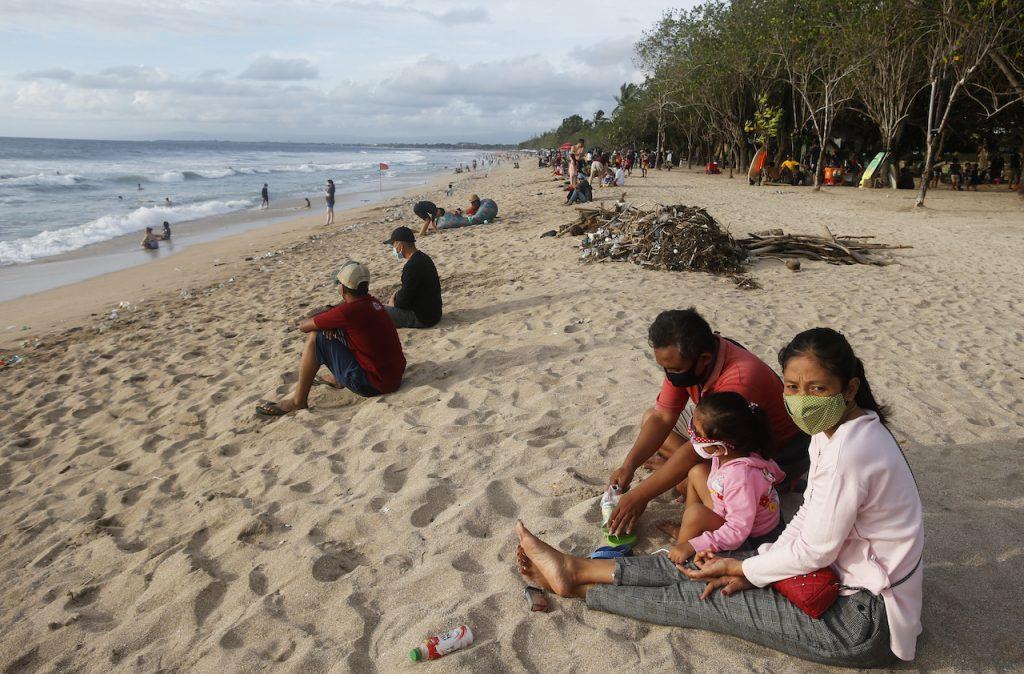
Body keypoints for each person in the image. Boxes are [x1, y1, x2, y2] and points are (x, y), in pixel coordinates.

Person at [514, 327, 924, 667]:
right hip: (833, 575)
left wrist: (748, 569)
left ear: (849, 388)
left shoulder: (852, 453)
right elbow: (806, 519)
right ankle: (578, 568)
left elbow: (814, 551)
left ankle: (580, 587)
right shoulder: (833, 431)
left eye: (817, 388)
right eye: (794, 386)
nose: (802, 399)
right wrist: (752, 562)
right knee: (705, 563)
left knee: (706, 599)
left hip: (862, 620)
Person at [605, 309, 809, 538]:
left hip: (772, 455)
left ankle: (679, 477)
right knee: (650, 419)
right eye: (665, 367)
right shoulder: (687, 363)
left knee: (696, 472)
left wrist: (641, 495)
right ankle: (675, 473)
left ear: (704, 359)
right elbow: (662, 418)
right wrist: (628, 466)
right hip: (719, 434)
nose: (670, 375)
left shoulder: (740, 379)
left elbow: (697, 449)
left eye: (674, 369)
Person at [255, 261, 405, 417]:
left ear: (341, 288)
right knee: (343, 335)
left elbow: (303, 326)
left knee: (317, 337)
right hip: (394, 377)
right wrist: (333, 325)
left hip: (373, 385)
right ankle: (337, 378)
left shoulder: (347, 312)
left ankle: (298, 401)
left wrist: (326, 324)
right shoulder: (374, 303)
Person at [662, 391, 785, 565]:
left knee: (695, 513)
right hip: (740, 516)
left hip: (752, 539)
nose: (691, 436)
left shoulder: (740, 477)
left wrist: (692, 546)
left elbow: (737, 531)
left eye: (696, 433)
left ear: (720, 446)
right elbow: (777, 476)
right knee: (696, 472)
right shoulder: (735, 451)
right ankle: (689, 531)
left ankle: (682, 554)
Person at [383, 226, 442, 329]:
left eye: (393, 245)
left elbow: (403, 302)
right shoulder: (424, 257)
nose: (393, 249)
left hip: (423, 318)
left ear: (400, 244)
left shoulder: (411, 267)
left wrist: (393, 302)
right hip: (434, 312)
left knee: (376, 310)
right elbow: (411, 290)